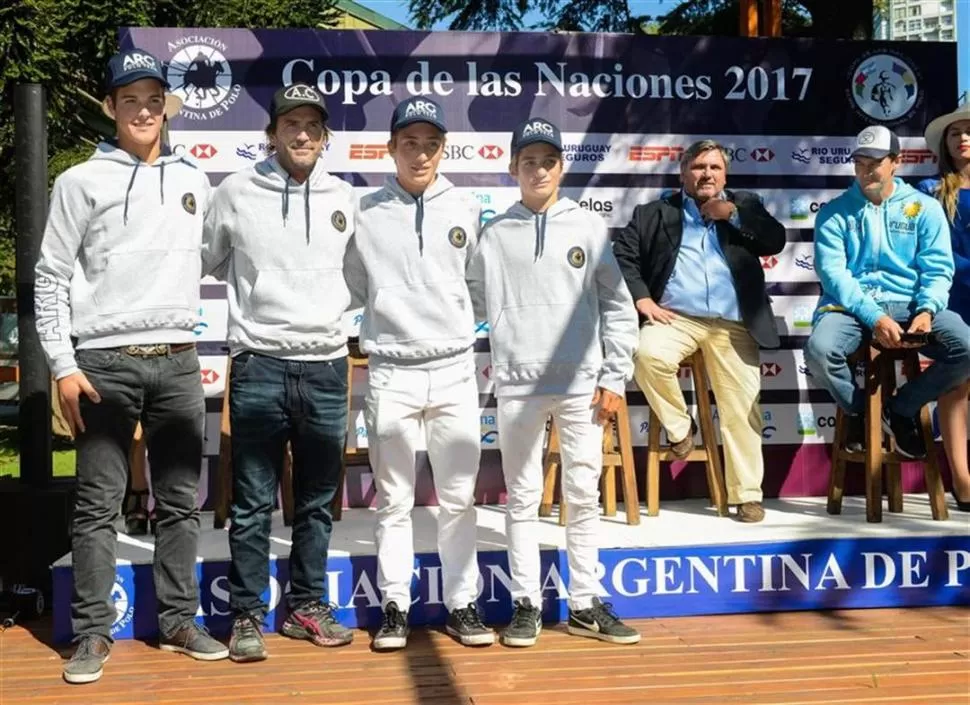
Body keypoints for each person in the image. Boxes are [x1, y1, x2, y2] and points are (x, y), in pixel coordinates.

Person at [34, 48, 227, 685]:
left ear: (166, 110)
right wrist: (63, 364)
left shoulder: (196, 182)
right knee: (98, 506)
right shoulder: (78, 181)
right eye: (130, 101)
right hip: (102, 365)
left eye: (153, 101)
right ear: (112, 109)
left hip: (177, 359)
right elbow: (51, 278)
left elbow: (223, 262)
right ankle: (92, 632)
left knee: (179, 501)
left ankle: (179, 619)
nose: (143, 112)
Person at [466, 117, 641, 647]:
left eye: (547, 160)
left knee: (582, 495)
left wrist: (615, 375)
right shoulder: (492, 235)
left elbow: (617, 306)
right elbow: (469, 302)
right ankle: (526, 604)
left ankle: (585, 602)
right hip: (517, 385)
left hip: (583, 385)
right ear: (512, 167)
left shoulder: (588, 228)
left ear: (561, 167)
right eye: (528, 161)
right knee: (520, 498)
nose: (538, 169)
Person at [201, 83, 356, 661]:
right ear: (272, 133)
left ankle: (307, 609)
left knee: (316, 502)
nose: (302, 134)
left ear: (324, 136)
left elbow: (359, 276)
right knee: (250, 501)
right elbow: (205, 256)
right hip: (258, 364)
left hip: (325, 365)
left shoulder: (346, 197)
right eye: (290, 124)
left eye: (313, 125)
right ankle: (245, 615)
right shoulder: (235, 191)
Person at [344, 96, 493, 650]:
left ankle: (463, 604)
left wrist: (452, 326)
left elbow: (480, 288)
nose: (421, 152)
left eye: (431, 142)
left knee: (459, 498)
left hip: (454, 367)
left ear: (443, 148)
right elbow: (353, 286)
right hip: (390, 371)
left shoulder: (468, 208)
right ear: (390, 148)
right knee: (394, 500)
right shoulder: (366, 212)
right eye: (410, 142)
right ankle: (395, 607)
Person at [613, 139, 785, 524]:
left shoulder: (746, 204)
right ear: (683, 172)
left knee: (742, 408)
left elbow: (775, 239)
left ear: (725, 174)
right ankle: (680, 428)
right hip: (679, 318)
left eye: (715, 168)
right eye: (699, 167)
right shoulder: (655, 213)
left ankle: (747, 496)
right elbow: (622, 254)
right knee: (647, 354)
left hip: (733, 322)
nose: (707, 174)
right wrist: (642, 299)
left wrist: (734, 215)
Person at [804, 125, 970, 460]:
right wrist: (874, 316)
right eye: (860, 161)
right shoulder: (833, 212)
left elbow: (938, 269)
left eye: (875, 161)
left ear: (895, 162)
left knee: (966, 348)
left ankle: (900, 408)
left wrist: (926, 309)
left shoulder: (924, 206)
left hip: (910, 305)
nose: (866, 169)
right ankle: (859, 413)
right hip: (848, 308)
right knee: (820, 351)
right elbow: (835, 276)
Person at [919, 104, 970, 512]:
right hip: (953, 299)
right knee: (957, 388)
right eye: (955, 134)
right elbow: (930, 254)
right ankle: (963, 479)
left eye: (969, 131)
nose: (963, 138)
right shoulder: (928, 192)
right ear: (945, 144)